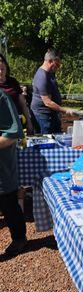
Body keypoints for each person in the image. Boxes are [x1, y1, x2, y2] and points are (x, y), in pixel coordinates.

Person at [0, 88, 27, 255]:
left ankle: (19, 238)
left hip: (1, 166)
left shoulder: (1, 97)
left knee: (7, 202)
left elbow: (12, 134)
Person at [31, 49, 76, 134]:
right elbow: (47, 102)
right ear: (50, 61)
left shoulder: (49, 73)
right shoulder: (42, 76)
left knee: (57, 138)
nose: (59, 66)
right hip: (43, 117)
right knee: (46, 142)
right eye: (57, 63)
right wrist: (65, 110)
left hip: (51, 115)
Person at [0, 53, 34, 135]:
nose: (0, 72)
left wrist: (29, 122)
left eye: (2, 69)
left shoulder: (13, 82)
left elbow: (23, 104)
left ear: (6, 68)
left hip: (15, 122)